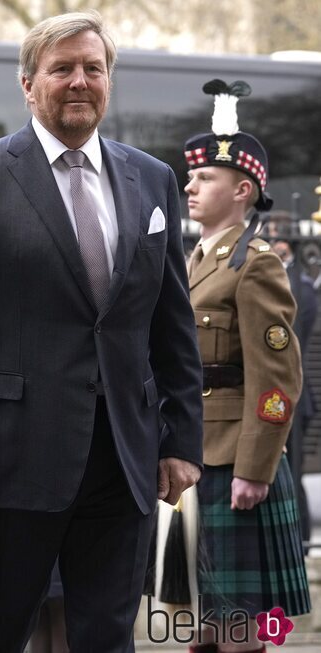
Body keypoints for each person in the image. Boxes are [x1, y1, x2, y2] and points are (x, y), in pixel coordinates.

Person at [0, 11, 204, 652]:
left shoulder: (151, 179)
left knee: (106, 635)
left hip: (124, 459)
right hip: (14, 461)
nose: (79, 81)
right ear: (28, 83)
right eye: (62, 69)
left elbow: (172, 324)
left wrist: (181, 439)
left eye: (92, 69)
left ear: (109, 82)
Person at [182, 81, 310, 650]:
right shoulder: (194, 259)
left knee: (241, 630)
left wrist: (255, 469)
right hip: (192, 457)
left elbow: (276, 379)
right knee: (200, 625)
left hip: (236, 461)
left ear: (242, 190)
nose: (190, 184)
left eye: (205, 176)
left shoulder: (255, 265)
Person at [272, 238, 316, 548]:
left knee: (292, 465)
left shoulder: (300, 285)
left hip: (297, 397)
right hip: (273, 391)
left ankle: (300, 537)